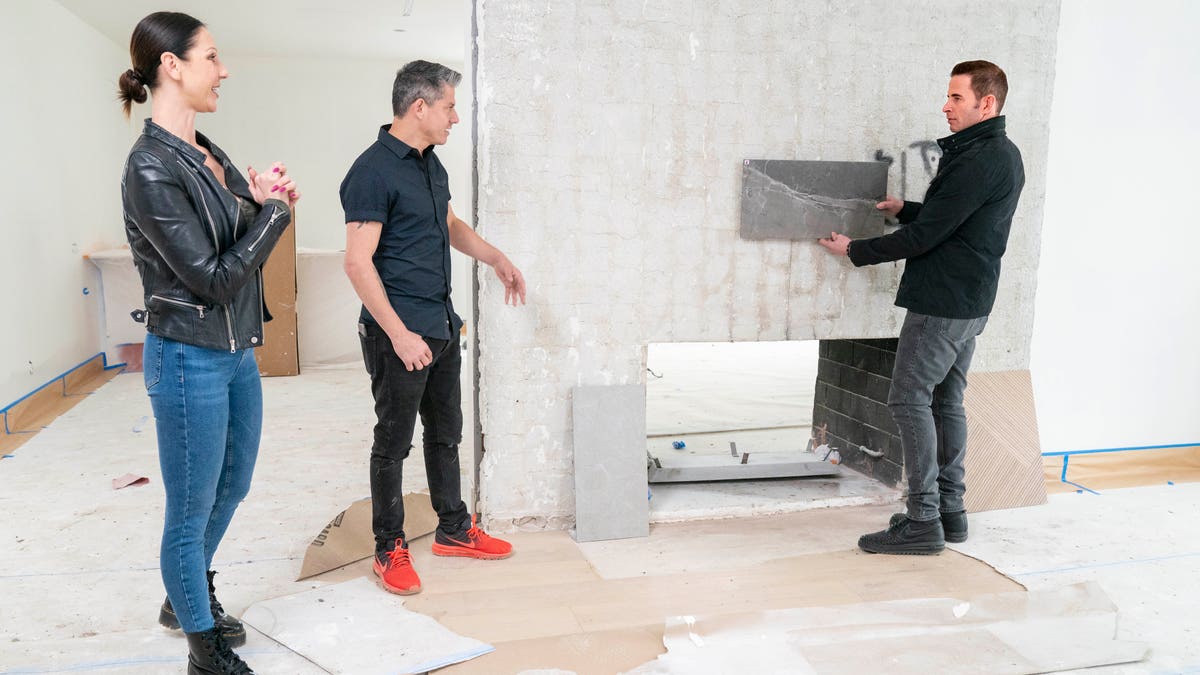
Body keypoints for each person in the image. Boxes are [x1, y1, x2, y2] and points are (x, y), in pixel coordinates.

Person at [119, 11, 298, 673]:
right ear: (173, 66)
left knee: (235, 483)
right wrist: (277, 217)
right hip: (188, 355)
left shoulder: (207, 151)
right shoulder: (149, 168)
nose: (223, 70)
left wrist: (259, 200)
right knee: (190, 507)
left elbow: (229, 239)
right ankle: (203, 648)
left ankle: (183, 594)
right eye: (212, 57)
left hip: (233, 353)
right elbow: (215, 277)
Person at [818, 60, 1025, 555]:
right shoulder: (1000, 153)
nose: (946, 106)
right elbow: (954, 218)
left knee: (908, 400)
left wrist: (856, 250)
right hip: (970, 301)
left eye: (956, 97)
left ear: (987, 103)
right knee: (945, 402)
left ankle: (922, 521)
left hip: (941, 302)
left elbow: (931, 235)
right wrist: (903, 209)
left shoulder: (978, 159)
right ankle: (949, 514)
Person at [341, 60, 526, 595]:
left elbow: (447, 225)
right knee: (392, 443)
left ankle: (453, 530)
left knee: (446, 435)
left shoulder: (430, 164)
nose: (455, 119)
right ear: (419, 107)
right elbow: (358, 262)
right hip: (398, 331)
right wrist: (399, 334)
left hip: (441, 326)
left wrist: (495, 258)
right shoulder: (372, 170)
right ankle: (388, 548)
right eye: (449, 107)